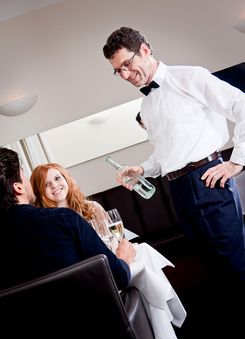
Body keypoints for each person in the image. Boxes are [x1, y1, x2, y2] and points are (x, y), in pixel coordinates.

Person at [103, 26, 245, 284]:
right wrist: (142, 169)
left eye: (127, 64)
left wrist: (237, 162)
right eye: (118, 70)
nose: (124, 74)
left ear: (145, 50)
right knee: (212, 267)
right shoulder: (146, 106)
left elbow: (241, 105)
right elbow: (166, 154)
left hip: (208, 181)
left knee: (234, 263)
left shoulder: (190, 77)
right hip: (178, 191)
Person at [0, 147, 136, 291]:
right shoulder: (65, 219)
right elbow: (118, 277)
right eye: (24, 175)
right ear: (18, 187)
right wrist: (124, 259)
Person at [30, 162, 118, 251]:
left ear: (66, 179)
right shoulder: (44, 224)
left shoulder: (93, 207)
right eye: (46, 184)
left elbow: (113, 242)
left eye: (57, 178)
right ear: (39, 192)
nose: (54, 185)